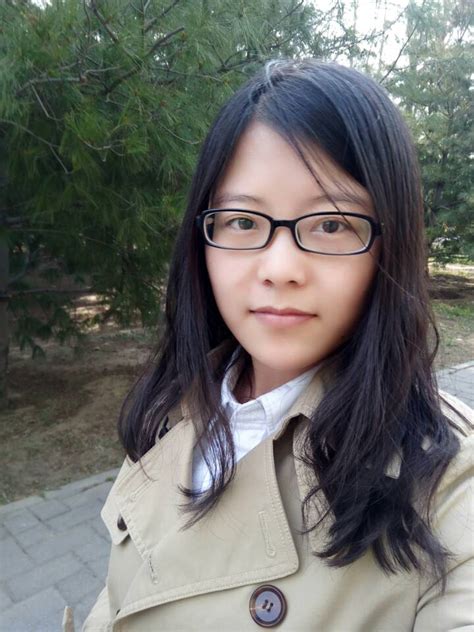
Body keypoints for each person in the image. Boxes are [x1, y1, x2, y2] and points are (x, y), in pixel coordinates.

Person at [80, 59, 473, 631]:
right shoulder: (172, 406)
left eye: (331, 223)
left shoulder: (446, 482)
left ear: (391, 246)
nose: (280, 268)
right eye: (243, 221)